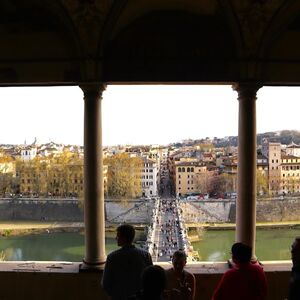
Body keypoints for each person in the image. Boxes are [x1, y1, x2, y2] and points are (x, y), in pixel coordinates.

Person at [102, 224, 153, 300]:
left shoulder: (112, 257)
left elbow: (105, 283)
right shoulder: (146, 255)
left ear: (124, 238)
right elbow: (151, 280)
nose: (116, 238)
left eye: (118, 236)